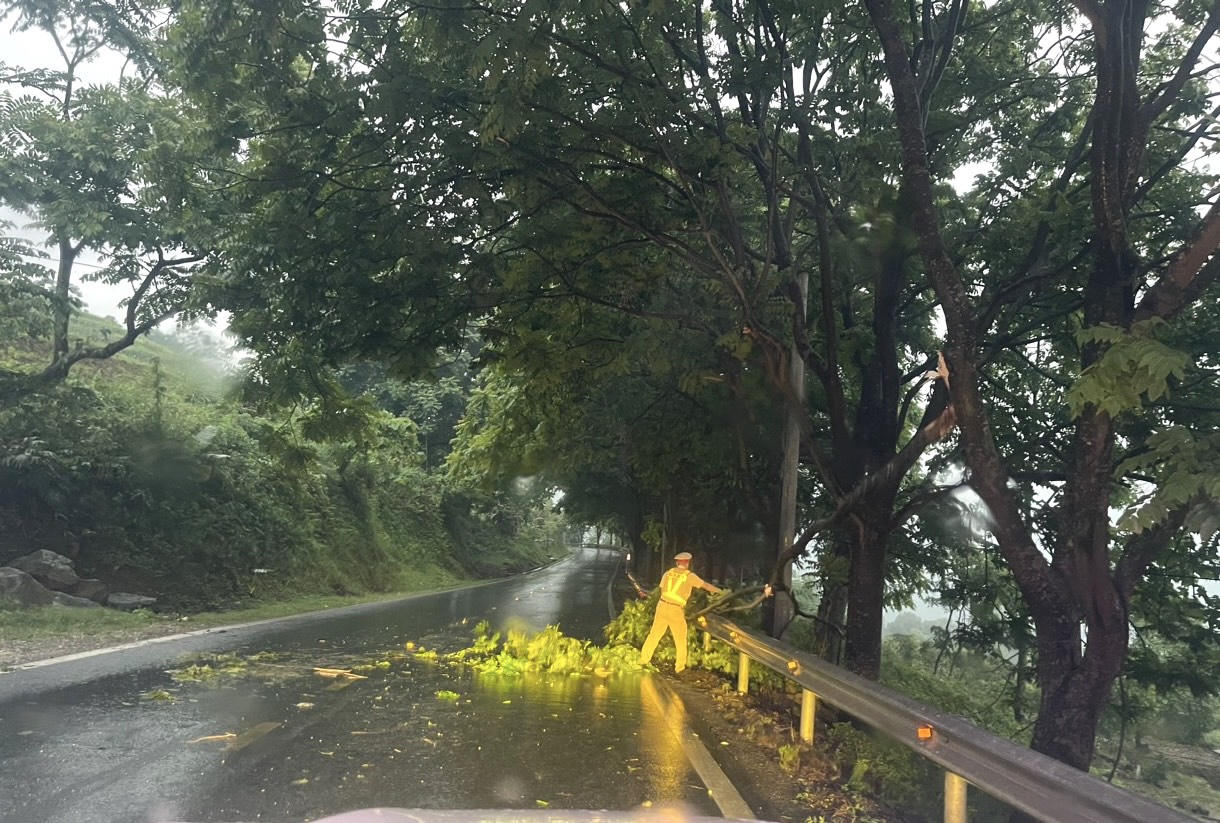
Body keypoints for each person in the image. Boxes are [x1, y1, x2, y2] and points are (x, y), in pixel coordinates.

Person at [639, 551, 723, 674]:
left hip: (661, 606)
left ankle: (643, 660)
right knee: (680, 639)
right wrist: (720, 592)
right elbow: (705, 585)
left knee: (654, 635)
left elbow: (661, 589)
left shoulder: (668, 573)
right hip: (676, 610)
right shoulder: (690, 576)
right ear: (688, 563)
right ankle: (679, 668)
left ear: (677, 562)